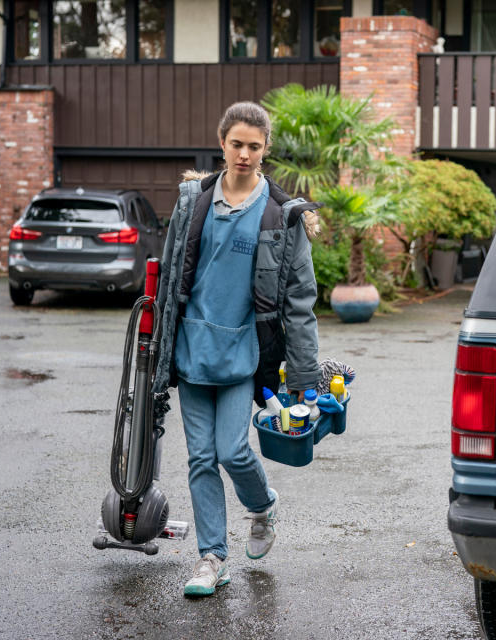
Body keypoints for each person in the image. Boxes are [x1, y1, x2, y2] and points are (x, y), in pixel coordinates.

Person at [151, 101, 322, 597]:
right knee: (200, 458)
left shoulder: (281, 215)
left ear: (265, 150)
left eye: (254, 146)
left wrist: (304, 381)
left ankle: (263, 505)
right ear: (222, 144)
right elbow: (167, 286)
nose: (244, 154)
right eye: (236, 144)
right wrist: (155, 353)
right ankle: (212, 559)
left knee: (232, 449)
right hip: (190, 351)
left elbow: (300, 305)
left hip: (245, 354)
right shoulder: (193, 203)